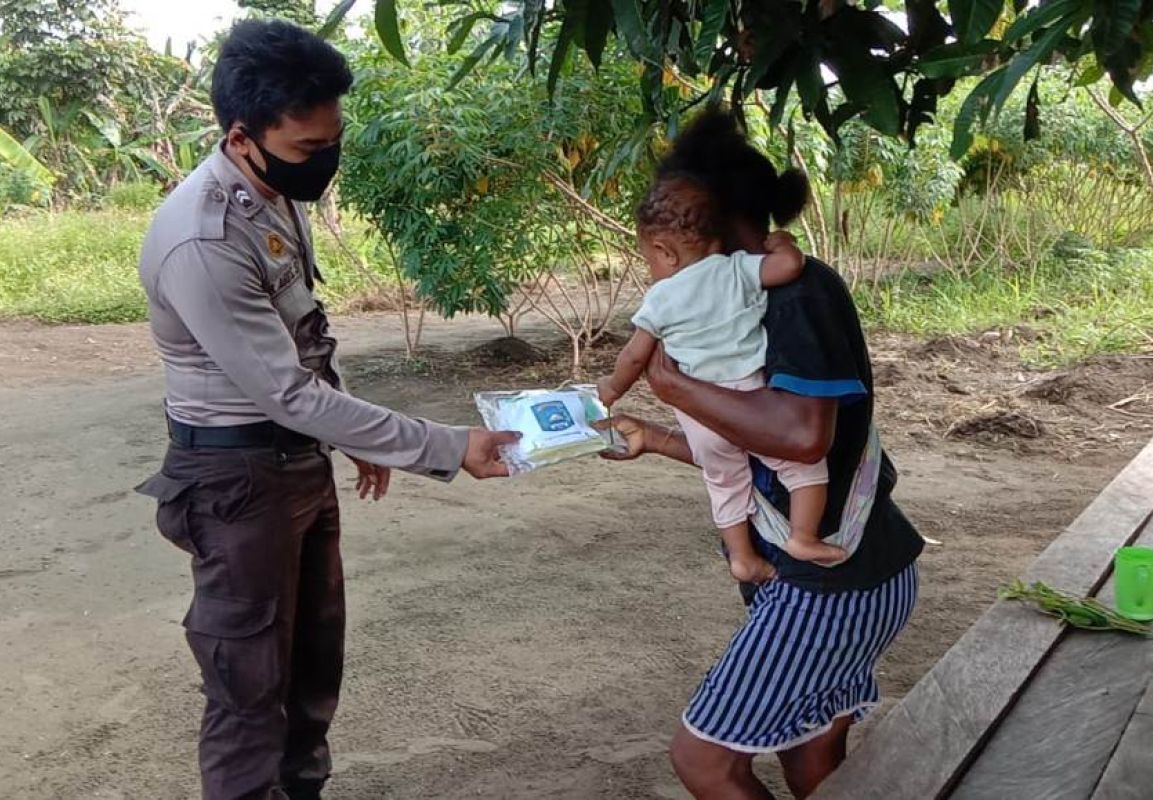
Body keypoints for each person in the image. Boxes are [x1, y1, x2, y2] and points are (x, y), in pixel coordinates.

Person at [134, 19, 516, 800]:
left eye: (333, 141)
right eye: (311, 149)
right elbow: (282, 389)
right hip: (237, 480)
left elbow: (306, 339)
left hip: (295, 461)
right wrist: (444, 446)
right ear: (243, 136)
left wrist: (347, 435)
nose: (328, 162)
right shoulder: (202, 238)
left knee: (312, 668)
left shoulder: (273, 194)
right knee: (248, 685)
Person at [599, 110, 924, 799]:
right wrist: (655, 437)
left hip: (832, 585)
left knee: (705, 761)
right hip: (852, 571)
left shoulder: (797, 297)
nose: (667, 264)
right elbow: (755, 445)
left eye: (676, 239)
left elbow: (801, 436)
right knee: (810, 753)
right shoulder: (739, 302)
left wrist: (671, 385)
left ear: (718, 228)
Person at [598, 173, 843, 584]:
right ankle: (802, 537)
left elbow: (635, 354)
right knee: (804, 471)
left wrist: (612, 388)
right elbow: (789, 265)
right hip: (750, 401)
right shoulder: (735, 270)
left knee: (724, 481)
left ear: (664, 251)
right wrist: (782, 242)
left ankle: (742, 558)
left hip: (700, 417)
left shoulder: (661, 297)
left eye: (648, 258)